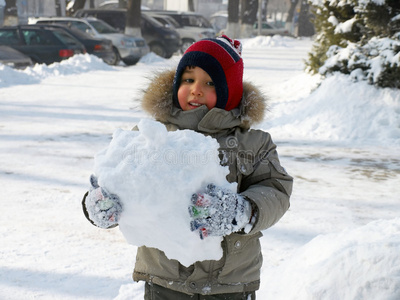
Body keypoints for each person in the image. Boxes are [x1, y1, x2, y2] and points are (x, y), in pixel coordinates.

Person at [82, 35, 293, 299]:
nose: (196, 89)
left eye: (210, 83)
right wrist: (101, 205)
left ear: (231, 91)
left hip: (230, 281)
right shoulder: (150, 136)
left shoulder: (252, 144)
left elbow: (276, 189)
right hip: (164, 278)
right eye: (188, 79)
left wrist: (242, 211)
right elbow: (118, 181)